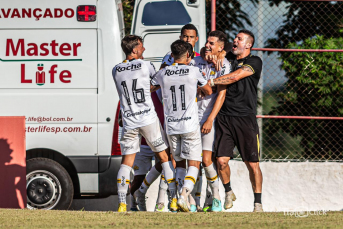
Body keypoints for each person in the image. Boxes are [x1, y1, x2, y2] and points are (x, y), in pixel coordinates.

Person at [112, 35, 177, 212]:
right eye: (141, 46)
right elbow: (155, 84)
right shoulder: (145, 65)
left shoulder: (116, 69)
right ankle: (172, 200)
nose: (144, 49)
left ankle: (122, 203)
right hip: (147, 118)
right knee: (164, 158)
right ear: (134, 49)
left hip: (129, 120)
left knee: (126, 163)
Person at [151, 40, 212, 212]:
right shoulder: (194, 71)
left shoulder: (163, 73)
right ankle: (185, 194)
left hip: (171, 125)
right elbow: (208, 90)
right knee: (194, 163)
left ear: (172, 56)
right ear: (189, 56)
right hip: (190, 124)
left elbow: (150, 87)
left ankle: (177, 198)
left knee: (178, 163)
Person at [208, 30, 264, 212]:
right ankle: (228, 191)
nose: (235, 40)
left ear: (248, 44)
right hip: (224, 117)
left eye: (239, 39)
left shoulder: (254, 61)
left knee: (252, 163)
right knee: (221, 161)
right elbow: (210, 52)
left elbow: (235, 76)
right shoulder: (228, 57)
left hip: (245, 118)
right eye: (235, 38)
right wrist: (213, 54)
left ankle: (257, 203)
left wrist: (212, 82)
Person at [190, 30, 231, 212]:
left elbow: (221, 95)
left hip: (208, 119)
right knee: (192, 161)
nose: (208, 45)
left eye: (212, 43)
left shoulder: (224, 65)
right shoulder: (195, 61)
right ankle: (192, 202)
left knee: (207, 160)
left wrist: (210, 120)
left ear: (221, 48)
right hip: (190, 118)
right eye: (207, 42)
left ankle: (216, 197)